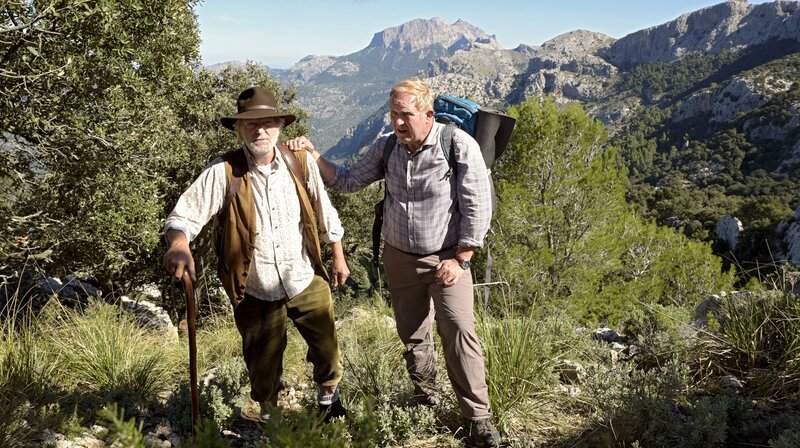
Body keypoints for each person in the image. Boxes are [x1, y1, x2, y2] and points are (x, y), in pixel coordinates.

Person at [288, 78, 500, 447]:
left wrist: (461, 258)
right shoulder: (387, 146)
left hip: (447, 259)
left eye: (405, 115)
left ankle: (478, 419)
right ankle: (426, 400)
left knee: (459, 332)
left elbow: (478, 207)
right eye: (393, 114)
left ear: (428, 114)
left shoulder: (457, 145)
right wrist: (312, 153)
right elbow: (349, 181)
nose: (398, 122)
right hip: (399, 257)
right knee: (413, 335)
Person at [163, 86, 350, 422]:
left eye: (267, 123)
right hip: (255, 288)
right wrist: (178, 244)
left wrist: (338, 254)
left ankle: (329, 402)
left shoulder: (300, 162)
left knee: (328, 350)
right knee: (262, 367)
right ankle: (271, 421)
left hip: (303, 277)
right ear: (239, 129)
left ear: (280, 125)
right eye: (250, 124)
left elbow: (324, 210)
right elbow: (183, 217)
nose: (260, 130)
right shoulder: (224, 172)